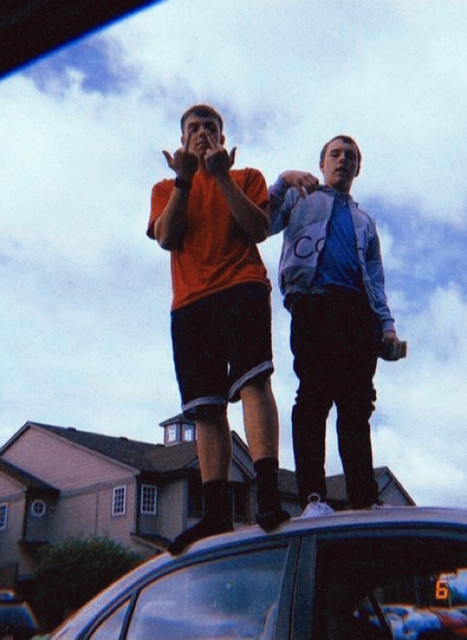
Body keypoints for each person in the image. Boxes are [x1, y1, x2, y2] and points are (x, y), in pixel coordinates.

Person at [148, 104, 289, 553]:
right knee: (206, 408)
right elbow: (167, 237)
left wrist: (221, 176)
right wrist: (185, 179)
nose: (202, 133)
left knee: (254, 382)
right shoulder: (165, 187)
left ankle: (268, 496)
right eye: (194, 128)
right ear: (182, 139)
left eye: (211, 127)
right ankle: (215, 514)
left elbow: (259, 228)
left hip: (242, 287)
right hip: (190, 303)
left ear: (223, 138)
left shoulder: (247, 176)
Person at [268, 134, 402, 513]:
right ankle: (313, 497)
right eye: (335, 154)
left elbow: (375, 279)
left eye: (350, 157)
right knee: (313, 398)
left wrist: (387, 326)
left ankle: (363, 498)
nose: (343, 160)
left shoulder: (365, 221)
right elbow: (263, 222)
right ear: (322, 163)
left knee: (356, 406)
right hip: (313, 305)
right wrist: (282, 181)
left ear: (358, 168)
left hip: (358, 314)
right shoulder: (301, 198)